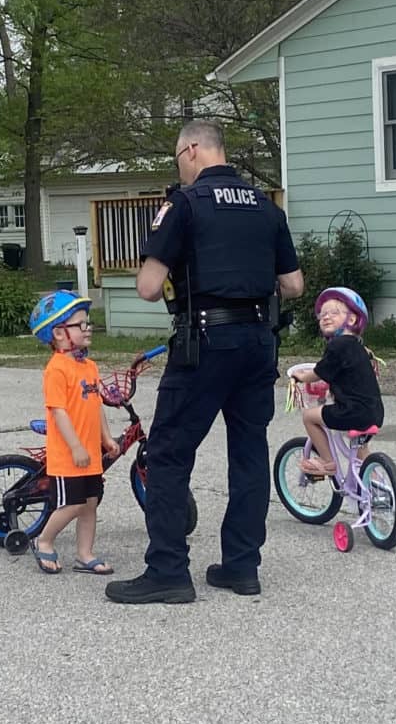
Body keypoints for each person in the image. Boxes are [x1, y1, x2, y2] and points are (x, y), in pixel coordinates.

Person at [105, 119, 304, 604]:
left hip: (205, 342)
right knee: (249, 453)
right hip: (258, 342)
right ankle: (242, 567)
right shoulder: (265, 206)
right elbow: (295, 285)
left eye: (178, 157)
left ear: (191, 149)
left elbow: (149, 288)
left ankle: (169, 571)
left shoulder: (184, 204)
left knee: (169, 455)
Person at [28, 290, 120, 575]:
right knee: (72, 504)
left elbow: (96, 406)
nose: (88, 328)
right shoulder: (56, 370)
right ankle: (44, 540)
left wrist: (106, 437)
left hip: (90, 453)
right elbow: (59, 412)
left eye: (87, 323)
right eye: (81, 324)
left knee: (90, 505)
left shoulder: (89, 367)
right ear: (58, 333)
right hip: (69, 455)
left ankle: (84, 554)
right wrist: (77, 447)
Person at [290, 287, 385, 476]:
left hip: (352, 412)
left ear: (351, 320)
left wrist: (302, 376)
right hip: (374, 412)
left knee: (309, 416)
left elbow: (320, 372)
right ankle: (378, 491)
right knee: (361, 451)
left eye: (334, 313)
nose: (326, 317)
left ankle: (327, 463)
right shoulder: (359, 347)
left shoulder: (338, 345)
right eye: (322, 314)